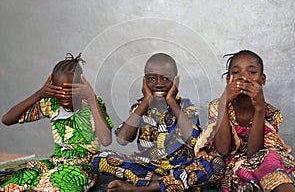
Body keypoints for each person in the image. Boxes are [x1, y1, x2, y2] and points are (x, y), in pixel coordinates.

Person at [93, 53, 224, 192]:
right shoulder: (139, 107)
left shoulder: (185, 106)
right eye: (151, 79)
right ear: (144, 81)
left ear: (175, 81)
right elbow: (122, 139)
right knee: (100, 158)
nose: (159, 84)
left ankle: (145, 188)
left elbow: (195, 142)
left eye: (166, 78)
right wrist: (145, 101)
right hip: (147, 166)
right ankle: (179, 185)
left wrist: (171, 102)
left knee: (215, 163)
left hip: (180, 167)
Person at [0, 53, 113, 192]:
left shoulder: (93, 104)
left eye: (70, 89)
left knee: (60, 182)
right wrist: (39, 94)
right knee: (24, 177)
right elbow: (7, 119)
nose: (64, 95)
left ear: (81, 85)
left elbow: (106, 140)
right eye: (58, 89)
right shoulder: (51, 105)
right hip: (56, 162)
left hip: (83, 166)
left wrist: (91, 98)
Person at [194, 50, 295, 192]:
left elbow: (254, 154)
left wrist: (260, 109)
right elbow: (223, 149)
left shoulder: (271, 112)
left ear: (262, 80)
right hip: (230, 166)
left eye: (252, 72)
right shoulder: (218, 105)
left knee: (270, 161)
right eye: (236, 72)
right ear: (228, 81)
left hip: (262, 164)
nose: (244, 77)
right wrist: (223, 103)